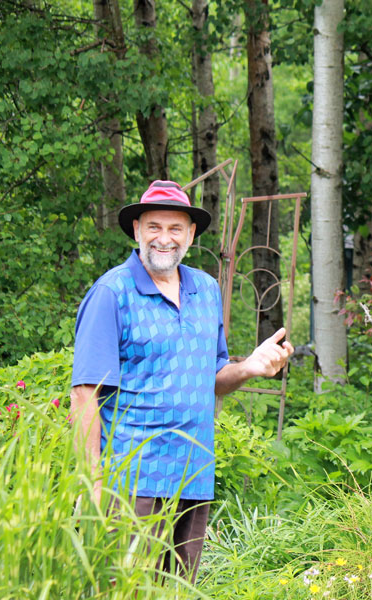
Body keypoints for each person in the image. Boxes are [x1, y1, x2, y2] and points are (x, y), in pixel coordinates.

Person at [70, 180, 294, 582]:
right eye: (154, 227)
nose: (164, 238)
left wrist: (249, 367)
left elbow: (213, 377)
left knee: (177, 589)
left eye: (175, 228)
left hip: (192, 479)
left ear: (190, 234)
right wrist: (92, 483)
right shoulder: (112, 293)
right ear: (136, 230)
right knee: (126, 589)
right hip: (131, 483)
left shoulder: (205, 290)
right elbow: (85, 394)